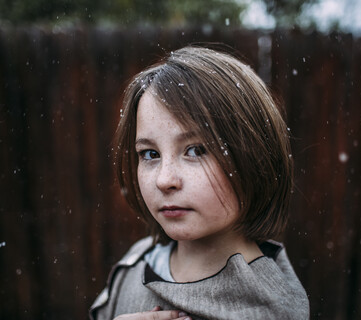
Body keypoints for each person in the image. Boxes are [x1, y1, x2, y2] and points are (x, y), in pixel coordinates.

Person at [89, 45, 309, 320]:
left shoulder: (270, 311)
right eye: (150, 154)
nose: (164, 179)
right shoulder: (137, 259)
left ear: (255, 156)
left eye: (196, 150)